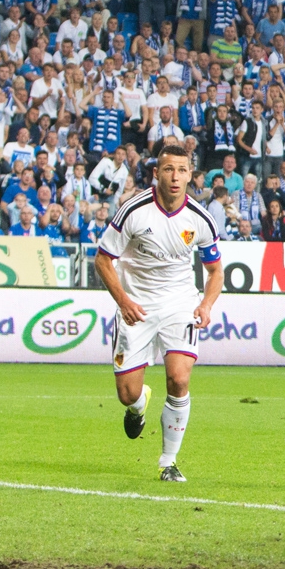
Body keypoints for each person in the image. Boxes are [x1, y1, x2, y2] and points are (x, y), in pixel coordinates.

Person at [94, 143, 223, 482]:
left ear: (190, 175)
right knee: (127, 395)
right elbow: (103, 259)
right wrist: (123, 301)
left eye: (182, 170)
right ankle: (139, 404)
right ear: (156, 173)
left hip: (180, 305)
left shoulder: (200, 218)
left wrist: (206, 304)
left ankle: (168, 461)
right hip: (136, 306)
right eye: (168, 169)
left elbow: (215, 271)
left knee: (179, 378)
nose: (175, 176)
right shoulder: (134, 210)